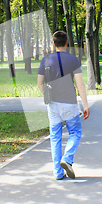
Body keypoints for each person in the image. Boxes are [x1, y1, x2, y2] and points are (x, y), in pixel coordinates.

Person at [37, 31, 90, 180]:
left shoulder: (45, 60)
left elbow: (39, 83)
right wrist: (85, 104)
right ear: (67, 42)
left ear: (54, 44)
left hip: (52, 103)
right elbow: (80, 84)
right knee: (75, 132)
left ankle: (57, 173)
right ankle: (67, 158)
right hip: (70, 103)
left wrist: (47, 96)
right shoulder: (73, 60)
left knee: (55, 137)